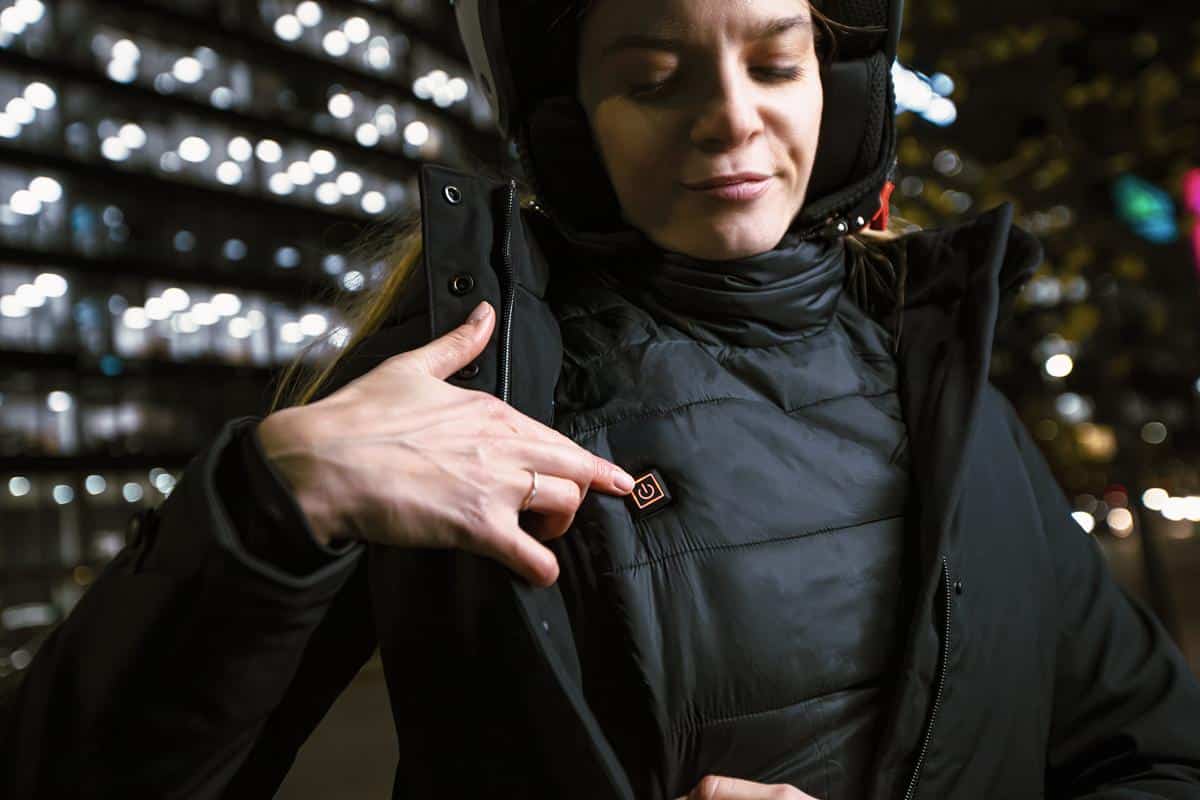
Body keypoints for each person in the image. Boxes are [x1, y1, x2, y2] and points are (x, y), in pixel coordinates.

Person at [3, 0, 1199, 798]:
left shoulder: (942, 380)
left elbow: (1151, 754)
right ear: (568, 125)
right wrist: (272, 506)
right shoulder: (469, 392)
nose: (733, 117)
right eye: (654, 77)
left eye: (775, 63)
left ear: (838, 87)